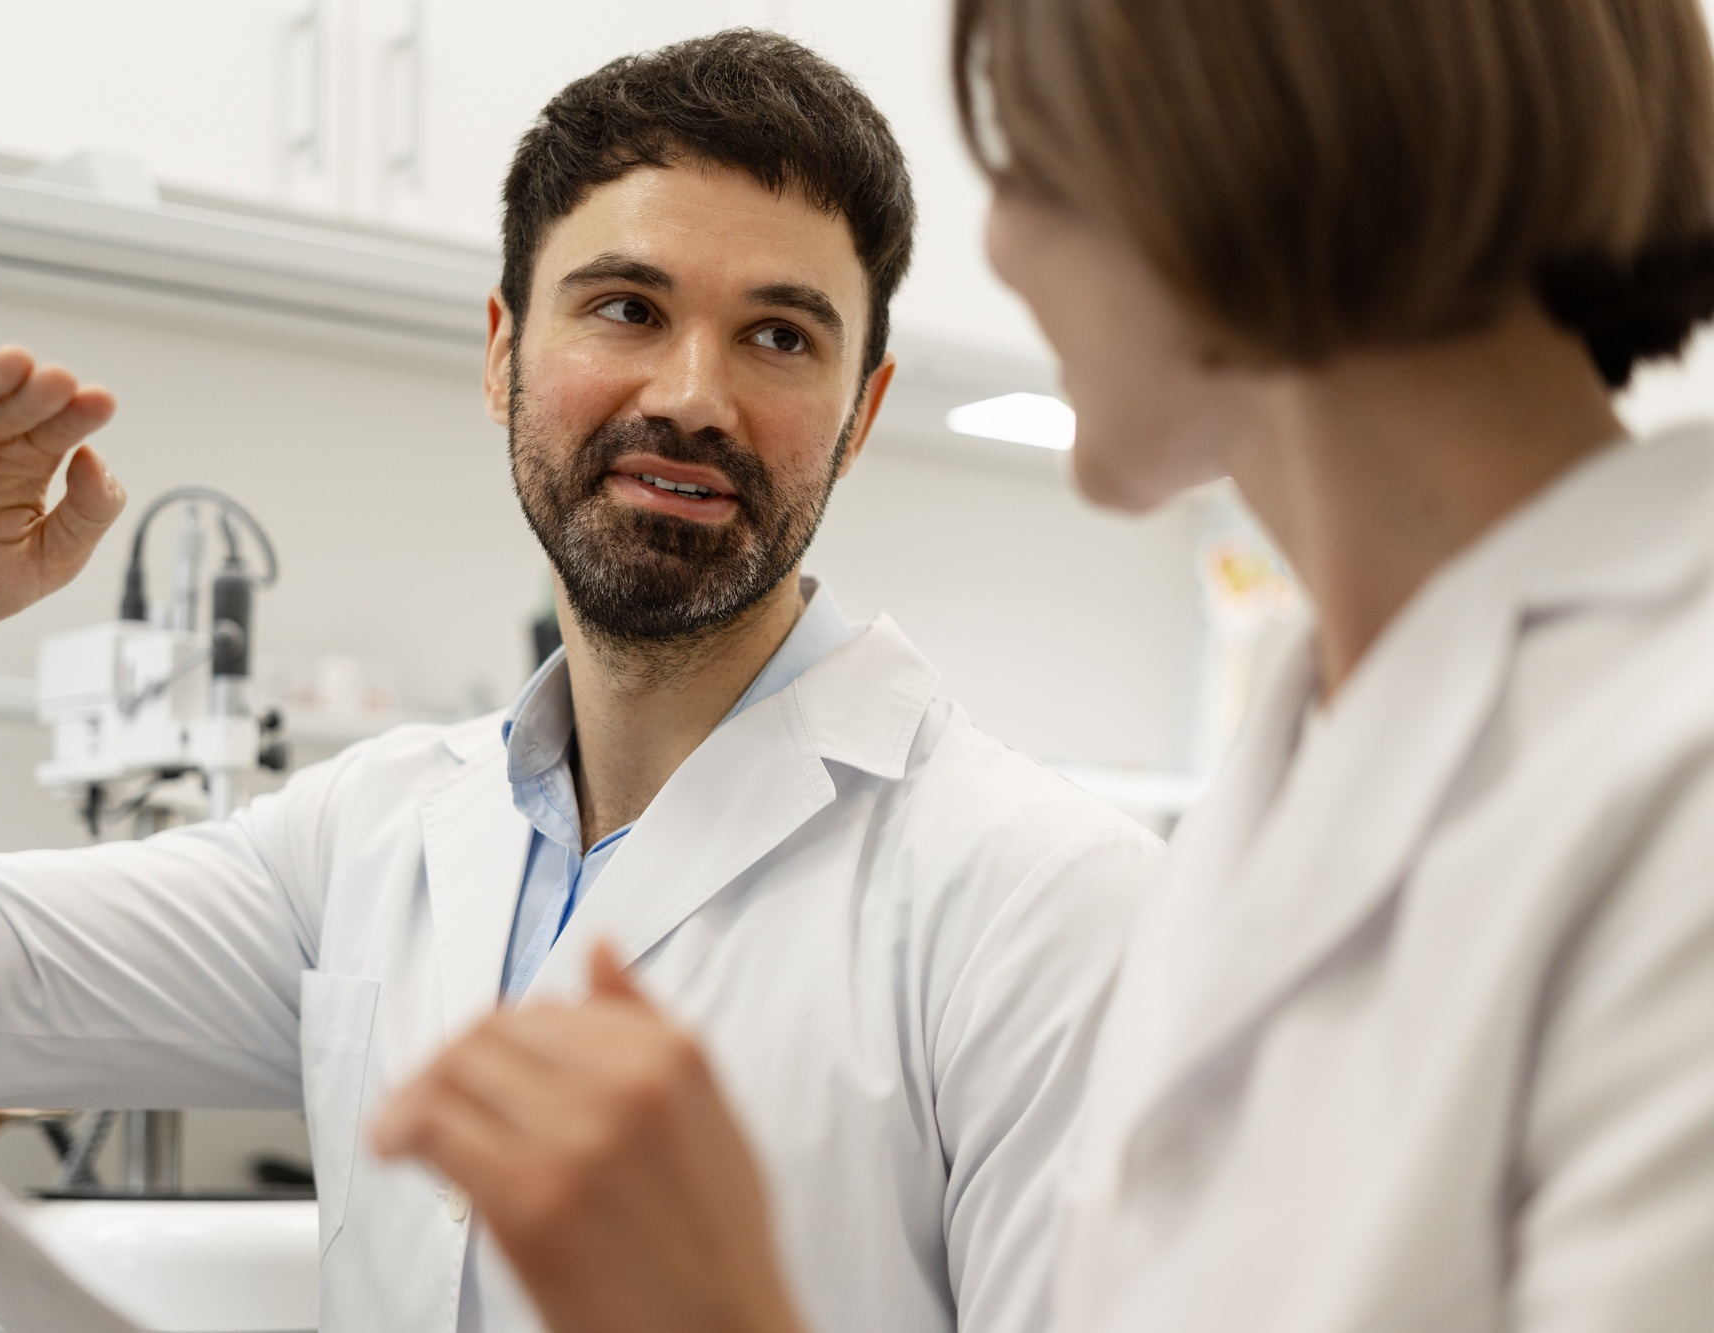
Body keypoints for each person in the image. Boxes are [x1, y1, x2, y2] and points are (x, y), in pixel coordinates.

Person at [0, 30, 1161, 1333]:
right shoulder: (378, 832)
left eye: (781, 336)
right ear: (503, 353)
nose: (692, 397)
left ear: (860, 415)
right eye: (625, 307)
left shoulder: (1045, 900)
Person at [372, 2, 1714, 1331]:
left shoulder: (1677, 783)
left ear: (1265, 152)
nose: (1003, 248)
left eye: (1037, 159)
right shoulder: (1306, 759)